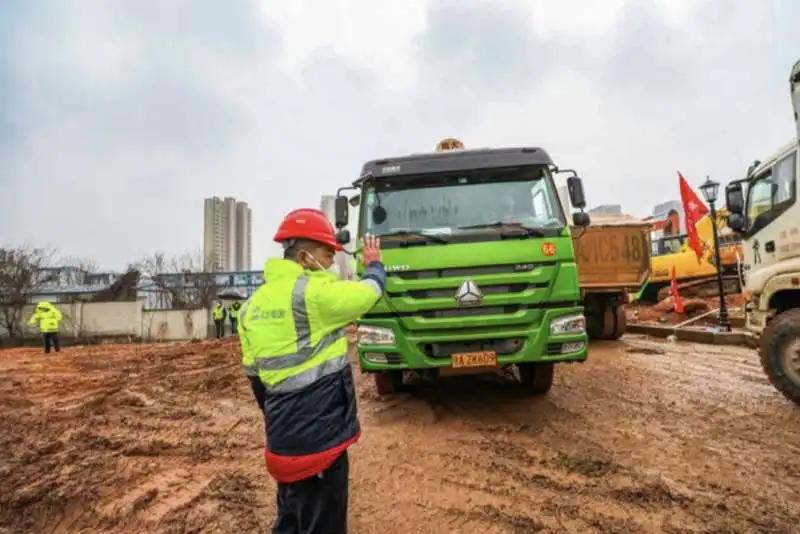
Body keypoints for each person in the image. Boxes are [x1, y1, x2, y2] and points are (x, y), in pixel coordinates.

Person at [238, 208, 385, 534]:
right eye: (326, 253)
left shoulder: (251, 306)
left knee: (291, 518)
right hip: (319, 444)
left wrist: (283, 417)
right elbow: (368, 293)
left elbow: (256, 380)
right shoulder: (312, 295)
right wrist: (375, 265)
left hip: (283, 439)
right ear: (304, 256)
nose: (331, 262)